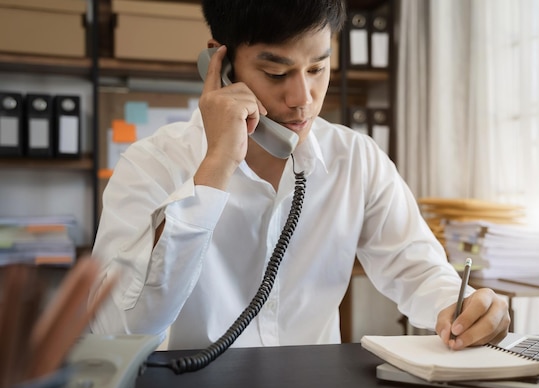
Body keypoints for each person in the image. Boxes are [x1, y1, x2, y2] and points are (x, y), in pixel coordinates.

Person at [88, 0, 509, 352]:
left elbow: (416, 269)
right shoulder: (150, 165)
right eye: (276, 73)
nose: (302, 100)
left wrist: (465, 308)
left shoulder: (356, 159)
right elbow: (118, 333)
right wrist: (215, 166)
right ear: (219, 61)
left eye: (318, 69)